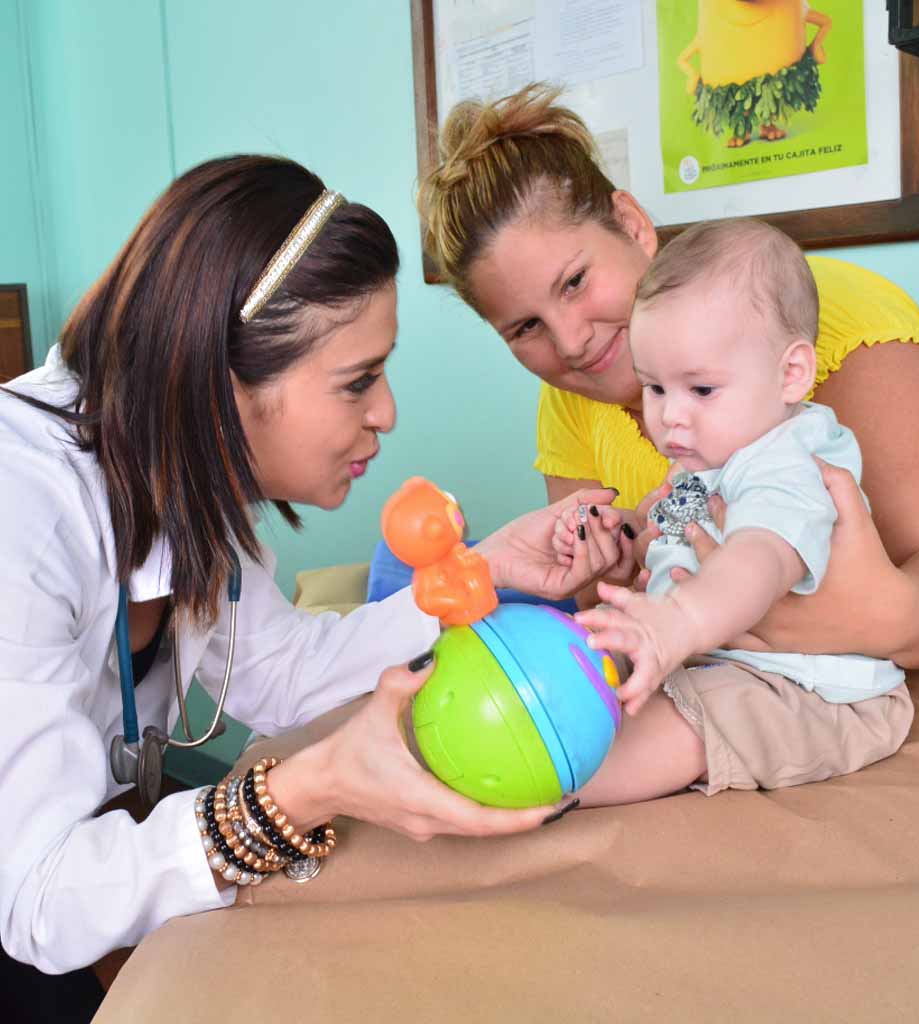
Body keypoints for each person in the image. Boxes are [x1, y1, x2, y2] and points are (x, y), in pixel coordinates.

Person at [0, 155, 623, 994]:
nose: (388, 413)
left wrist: (476, 571)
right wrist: (303, 792)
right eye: (357, 381)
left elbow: (276, 674)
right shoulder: (23, 514)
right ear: (217, 386)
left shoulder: (192, 479)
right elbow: (36, 898)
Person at [416, 83, 919, 693]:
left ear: (631, 225)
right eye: (525, 327)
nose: (570, 341)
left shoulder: (817, 325)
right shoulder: (568, 400)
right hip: (792, 691)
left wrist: (877, 617)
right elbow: (631, 606)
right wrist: (626, 566)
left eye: (574, 281)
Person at [552, 218, 913, 805]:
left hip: (818, 691)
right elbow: (669, 537)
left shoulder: (792, 462)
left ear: (790, 373)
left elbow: (758, 559)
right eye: (655, 388)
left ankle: (557, 786)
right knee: (604, 663)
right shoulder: (706, 458)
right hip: (719, 659)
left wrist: (681, 624)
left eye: (700, 390)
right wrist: (628, 548)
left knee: (690, 719)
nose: (670, 416)